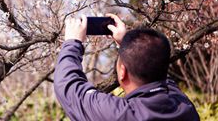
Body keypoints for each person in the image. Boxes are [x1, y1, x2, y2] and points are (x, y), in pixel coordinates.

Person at [54, 14, 200, 121]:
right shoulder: (184, 107)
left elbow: (68, 86)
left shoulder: (120, 115)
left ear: (122, 72)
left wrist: (72, 42)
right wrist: (128, 45)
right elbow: (158, 69)